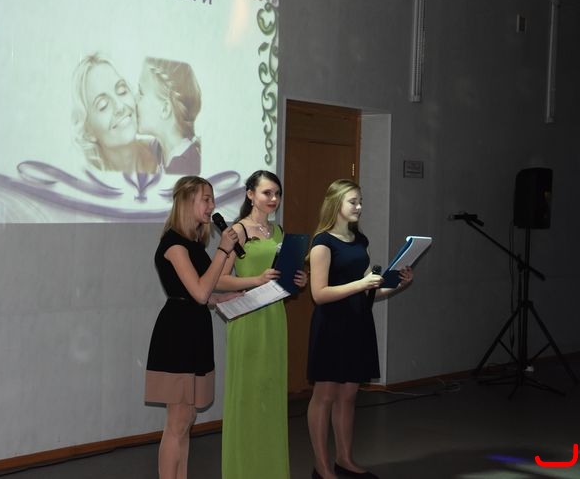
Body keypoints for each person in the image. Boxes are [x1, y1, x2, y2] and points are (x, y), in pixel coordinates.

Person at [306, 179, 414, 479]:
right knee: (325, 396)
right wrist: (361, 284)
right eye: (353, 201)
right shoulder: (322, 243)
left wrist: (397, 284)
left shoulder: (359, 240)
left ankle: (344, 459)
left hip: (357, 323)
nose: (359, 206)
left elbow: (369, 291)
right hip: (331, 325)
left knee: (349, 395)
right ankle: (322, 467)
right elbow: (319, 294)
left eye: (360, 201)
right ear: (336, 204)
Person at [144, 176, 242, 479]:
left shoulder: (195, 244)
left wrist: (225, 298)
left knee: (187, 419)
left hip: (195, 329)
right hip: (177, 334)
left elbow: (204, 292)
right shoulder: (174, 245)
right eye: (206, 199)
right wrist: (223, 251)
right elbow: (198, 293)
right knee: (176, 422)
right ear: (187, 202)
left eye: (213, 199)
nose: (212, 206)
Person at [215, 170, 308, 479]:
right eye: (267, 193)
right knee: (248, 397)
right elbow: (219, 279)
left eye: (277, 194)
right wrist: (256, 280)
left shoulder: (279, 231)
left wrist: (298, 279)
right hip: (248, 320)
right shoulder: (237, 231)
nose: (273, 199)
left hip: (274, 317)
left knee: (270, 396)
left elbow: (283, 276)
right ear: (250, 194)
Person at [71, 53, 158, 173]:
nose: (120, 106)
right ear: (88, 132)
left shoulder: (165, 155)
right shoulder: (88, 177)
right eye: (103, 105)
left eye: (122, 91)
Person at [136, 57, 202, 175]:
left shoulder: (185, 168)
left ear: (165, 109)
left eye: (140, 93)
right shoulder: (157, 150)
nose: (134, 99)